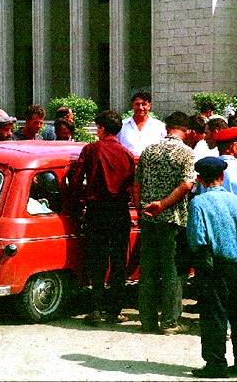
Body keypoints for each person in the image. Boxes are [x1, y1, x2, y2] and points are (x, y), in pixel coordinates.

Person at [187, 157, 237, 378]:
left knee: (214, 316)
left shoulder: (198, 204)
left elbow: (197, 240)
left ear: (199, 179)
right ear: (223, 177)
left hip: (214, 267)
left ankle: (216, 364)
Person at [70, 110, 135, 326]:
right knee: (118, 263)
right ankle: (115, 311)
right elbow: (131, 185)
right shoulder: (126, 154)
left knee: (97, 262)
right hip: (119, 211)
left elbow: (77, 180)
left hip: (97, 210)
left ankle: (96, 309)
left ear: (102, 128)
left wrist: (77, 204)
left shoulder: (91, 149)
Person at [133, 111, 195, 335]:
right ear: (185, 131)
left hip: (148, 219)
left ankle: (147, 320)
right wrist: (164, 204)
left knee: (148, 270)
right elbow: (188, 184)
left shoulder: (149, 150)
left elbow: (137, 183)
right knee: (172, 271)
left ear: (167, 128)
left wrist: (142, 208)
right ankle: (170, 321)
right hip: (174, 220)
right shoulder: (186, 153)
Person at [116, 91, 166, 156]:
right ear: (132, 105)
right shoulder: (122, 125)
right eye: (137, 104)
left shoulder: (159, 126)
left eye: (144, 104)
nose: (141, 108)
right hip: (127, 164)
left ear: (149, 106)